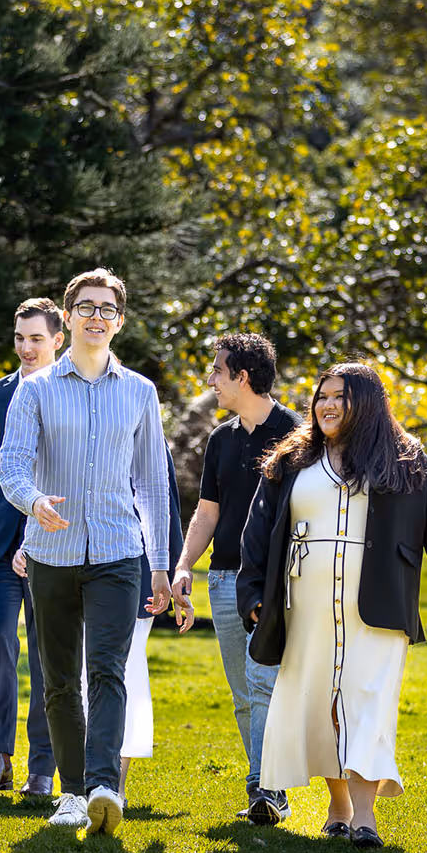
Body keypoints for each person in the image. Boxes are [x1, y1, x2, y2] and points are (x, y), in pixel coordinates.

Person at [238, 363, 427, 848]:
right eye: (322, 396)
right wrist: (252, 595)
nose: (327, 405)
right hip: (303, 606)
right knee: (320, 703)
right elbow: (258, 530)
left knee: (367, 701)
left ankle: (365, 818)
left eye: (340, 397)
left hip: (379, 605)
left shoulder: (404, 459)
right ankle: (339, 804)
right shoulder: (291, 459)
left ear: (367, 403)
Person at [0, 268, 172, 836]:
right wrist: (32, 500)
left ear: (118, 323)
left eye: (107, 309)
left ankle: (103, 784)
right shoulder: (36, 388)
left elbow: (152, 483)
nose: (96, 316)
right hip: (51, 551)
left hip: (119, 554)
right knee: (58, 678)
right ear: (66, 318)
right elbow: (12, 464)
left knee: (107, 670)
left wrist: (161, 564)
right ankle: (71, 793)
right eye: (86, 307)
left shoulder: (140, 392)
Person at [171, 334, 301, 825]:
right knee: (244, 694)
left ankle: (264, 786)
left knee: (262, 680)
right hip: (223, 579)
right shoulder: (221, 438)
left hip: (273, 583)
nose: (210, 381)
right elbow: (207, 512)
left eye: (217, 371)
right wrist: (185, 564)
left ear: (242, 377)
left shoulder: (296, 436)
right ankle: (267, 788)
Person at [16, 443, 182, 801]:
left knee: (120, 674)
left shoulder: (144, 434)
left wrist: (167, 573)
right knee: (70, 678)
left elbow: (163, 507)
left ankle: (111, 784)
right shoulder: (68, 430)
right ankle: (79, 784)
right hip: (65, 566)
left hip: (128, 575)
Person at [0, 299, 64, 798]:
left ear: (57, 341)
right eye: (20, 338)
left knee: (49, 657)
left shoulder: (72, 394)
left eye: (36, 339)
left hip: (54, 544)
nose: (26, 348)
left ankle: (43, 767)